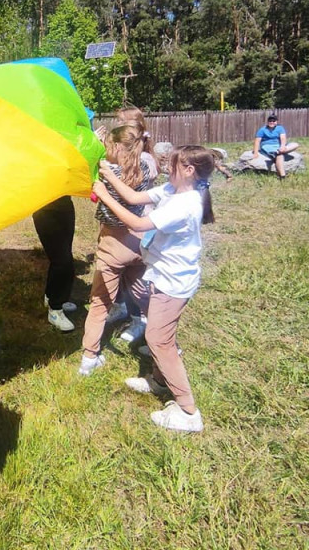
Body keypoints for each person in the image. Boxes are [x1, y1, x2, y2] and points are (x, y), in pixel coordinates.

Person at [92, 145, 216, 433]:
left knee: (159, 340)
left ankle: (188, 411)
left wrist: (106, 195)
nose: (165, 168)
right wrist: (109, 174)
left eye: (172, 164)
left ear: (189, 171)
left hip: (174, 282)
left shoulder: (184, 205)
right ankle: (160, 381)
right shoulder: (174, 191)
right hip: (166, 276)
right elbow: (135, 197)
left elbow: (137, 221)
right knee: (162, 336)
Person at [78, 124, 152, 376]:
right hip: (139, 243)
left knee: (99, 303)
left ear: (118, 147)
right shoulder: (145, 169)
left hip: (112, 245)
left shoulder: (105, 172)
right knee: (145, 297)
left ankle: (89, 357)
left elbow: (86, 162)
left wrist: (93, 142)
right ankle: (158, 343)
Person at [105, 107, 159, 334]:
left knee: (134, 274)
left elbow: (130, 186)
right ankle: (121, 307)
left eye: (120, 122)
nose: (116, 126)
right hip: (118, 221)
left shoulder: (145, 159)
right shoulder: (124, 156)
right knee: (115, 268)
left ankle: (140, 319)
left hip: (138, 225)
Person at [33, 196, 77, 332]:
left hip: (64, 206)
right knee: (62, 261)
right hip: (44, 209)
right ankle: (55, 309)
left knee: (62, 257)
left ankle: (52, 295)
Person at [253, 114, 299, 179]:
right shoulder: (262, 130)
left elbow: (283, 138)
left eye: (273, 121)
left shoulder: (280, 128)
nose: (272, 122)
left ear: (276, 122)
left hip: (279, 146)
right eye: (270, 121)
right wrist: (255, 153)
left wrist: (283, 147)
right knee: (280, 155)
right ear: (268, 122)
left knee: (296, 144)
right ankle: (282, 176)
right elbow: (257, 141)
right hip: (267, 146)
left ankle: (279, 151)